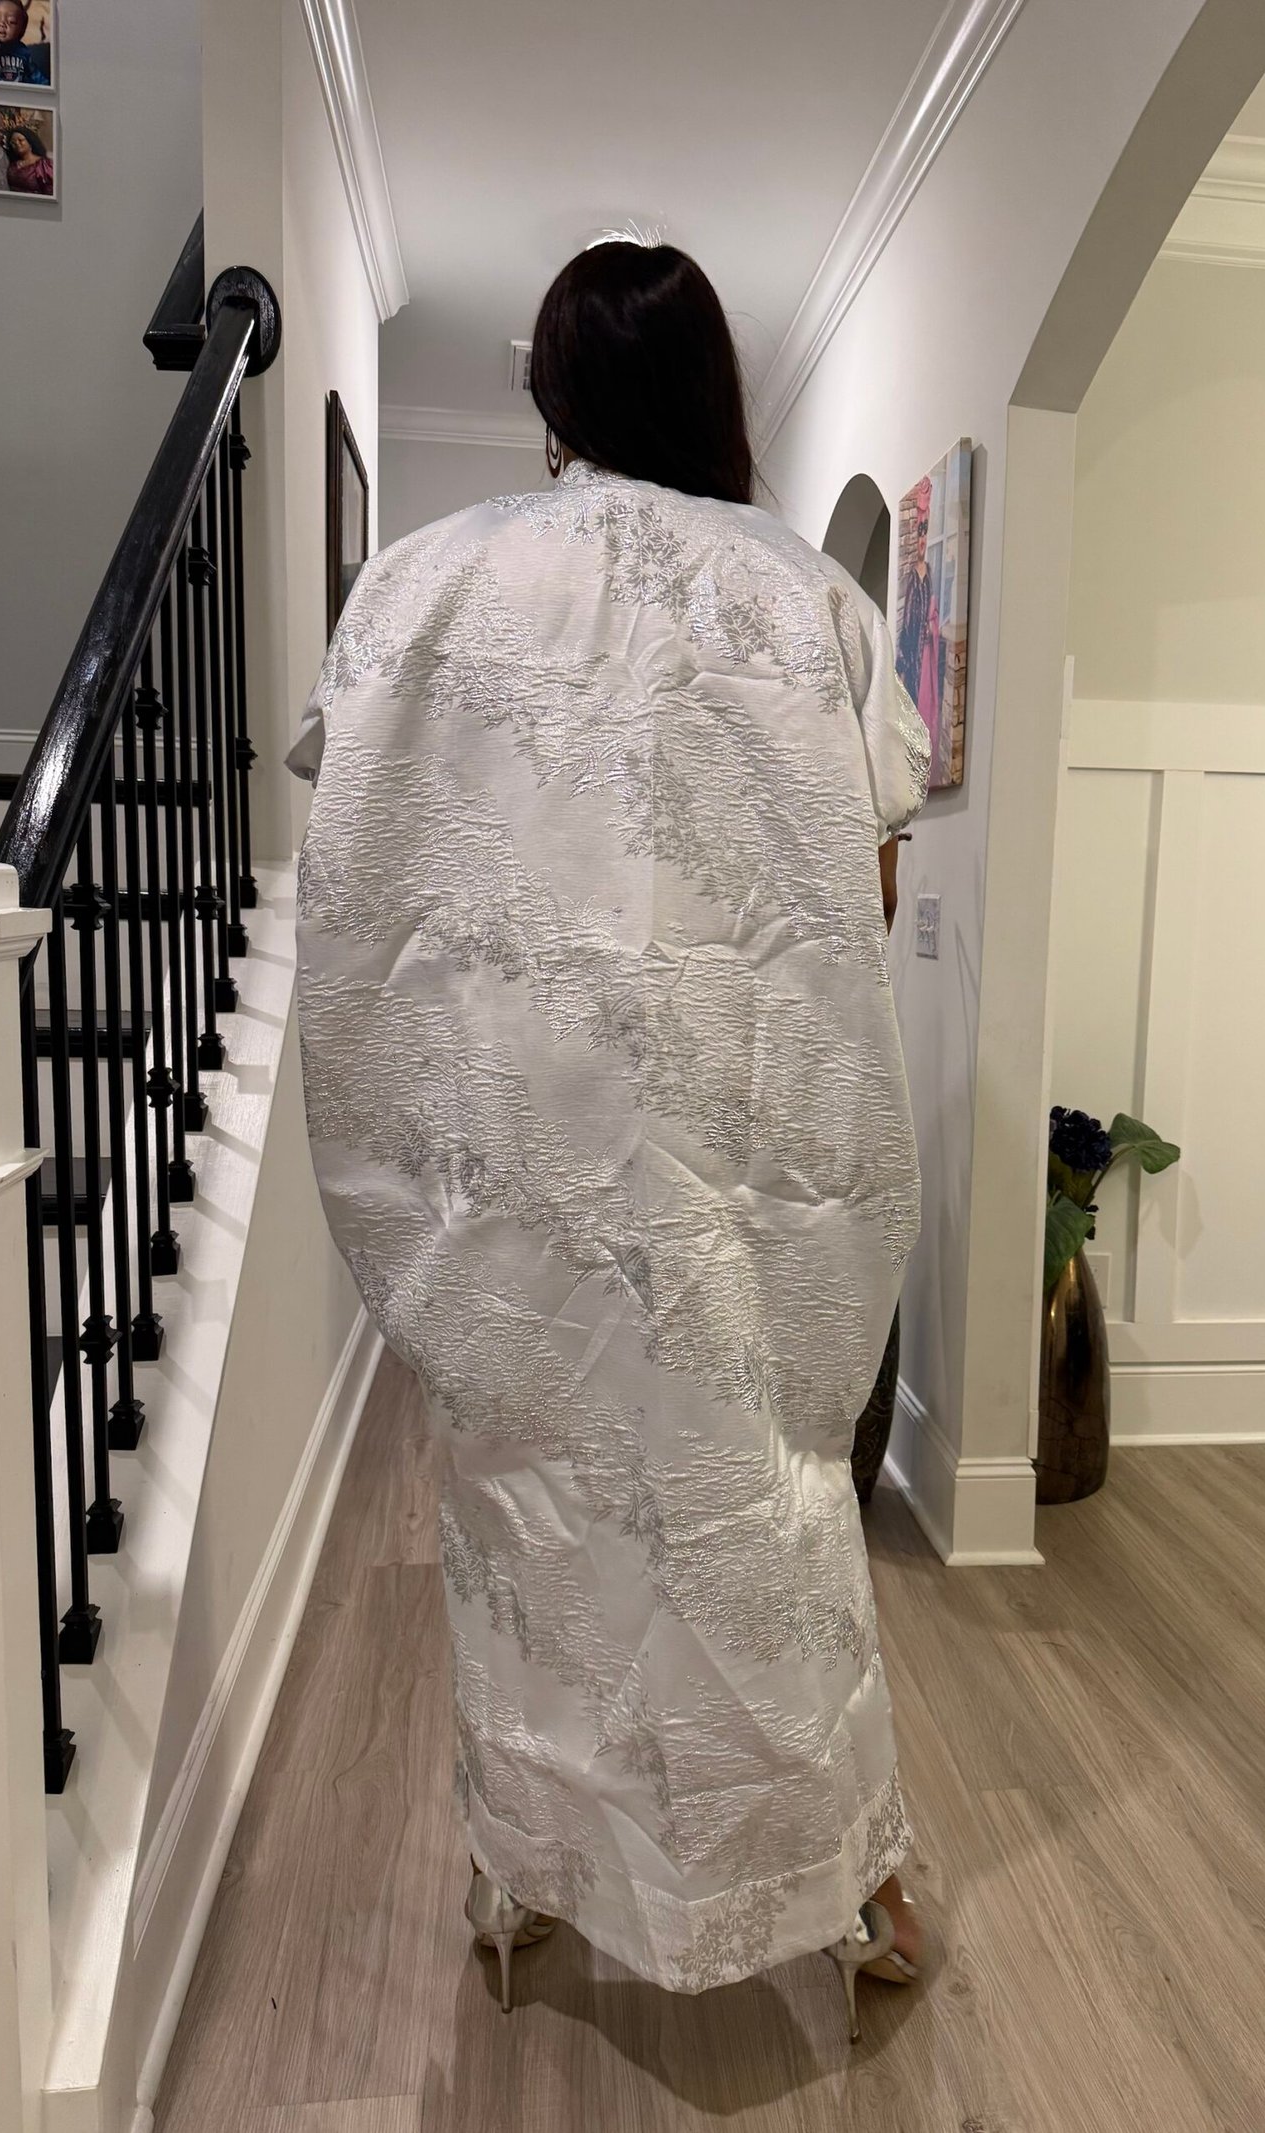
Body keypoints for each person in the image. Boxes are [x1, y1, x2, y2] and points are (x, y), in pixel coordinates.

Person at [291, 241, 929, 2030]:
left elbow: (370, 874)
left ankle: (524, 1869)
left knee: (534, 1511)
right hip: (742, 1155)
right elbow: (866, 897)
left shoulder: (422, 583)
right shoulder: (809, 600)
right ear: (714, 385)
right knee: (768, 1514)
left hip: (521, 1160)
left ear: (553, 389)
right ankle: (850, 1886)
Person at [894, 477, 944, 776]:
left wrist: (931, 628)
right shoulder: (913, 576)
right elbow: (907, 622)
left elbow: (931, 612)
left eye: (925, 532)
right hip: (912, 654)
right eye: (919, 533)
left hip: (925, 653)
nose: (922, 540)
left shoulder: (931, 573)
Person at [3, 121, 51, 193]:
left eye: (20, 140)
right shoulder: (12, 163)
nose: (17, 143)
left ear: (30, 141)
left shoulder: (43, 164)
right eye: (13, 142)